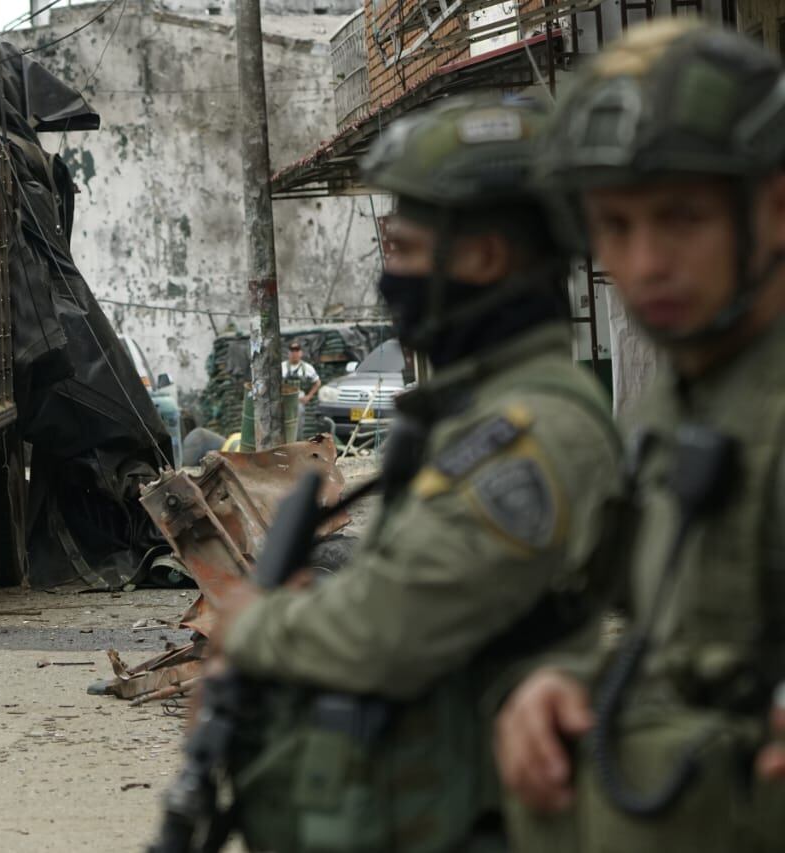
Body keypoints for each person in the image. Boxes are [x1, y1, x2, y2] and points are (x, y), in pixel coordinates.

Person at [213, 93, 621, 852]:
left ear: (486, 257)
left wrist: (257, 628)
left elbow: (389, 625)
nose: (387, 278)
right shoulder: (470, 416)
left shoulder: (534, 433)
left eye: (401, 249)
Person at [494, 20, 785, 852]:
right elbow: (676, 642)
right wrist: (563, 682)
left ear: (775, 206)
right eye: (614, 226)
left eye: (681, 216)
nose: (646, 261)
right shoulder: (677, 407)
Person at [282, 342, 321, 439]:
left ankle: (296, 441)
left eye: (297, 351)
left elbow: (317, 382)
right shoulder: (281, 367)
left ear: (301, 353)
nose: (294, 354)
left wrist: (308, 396)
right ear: (288, 353)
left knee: (298, 423)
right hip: (284, 400)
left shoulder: (307, 368)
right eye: (292, 351)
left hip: (298, 400)